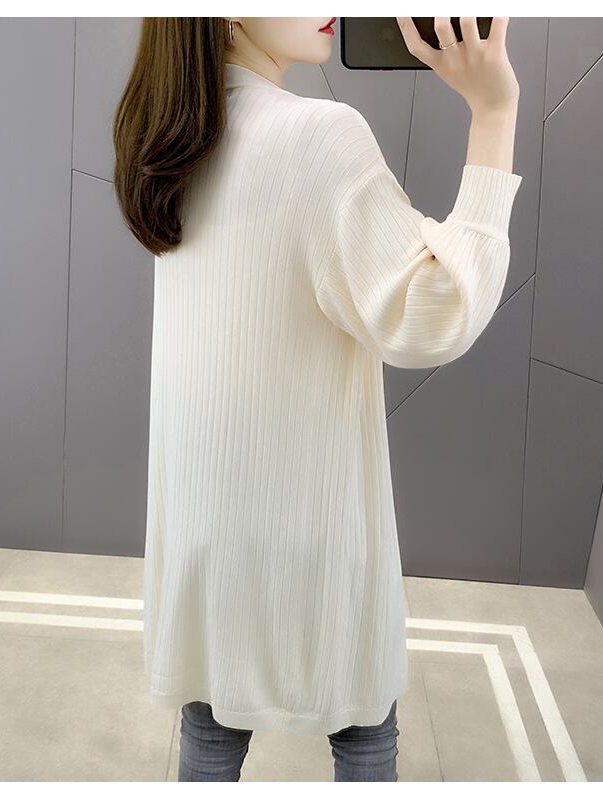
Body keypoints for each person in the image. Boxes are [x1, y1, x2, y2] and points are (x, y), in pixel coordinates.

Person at [113, 16, 522, 782]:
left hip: (205, 533)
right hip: (310, 535)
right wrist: (494, 112)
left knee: (209, 730)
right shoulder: (319, 136)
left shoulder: (168, 135)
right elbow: (434, 313)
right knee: (364, 730)